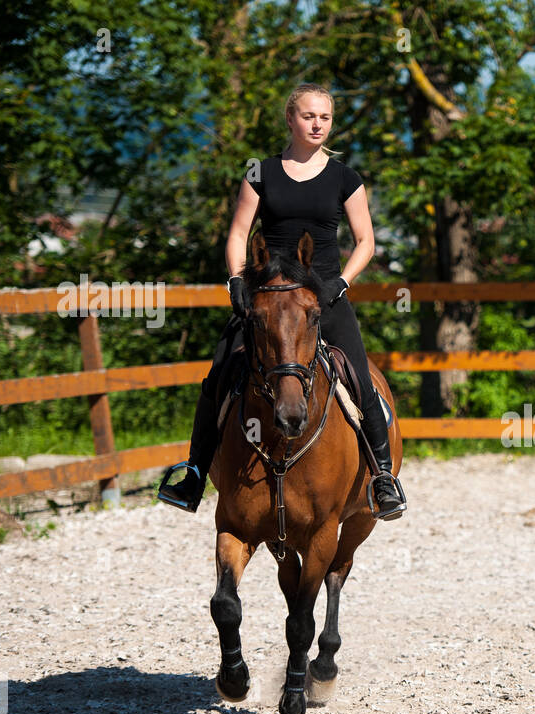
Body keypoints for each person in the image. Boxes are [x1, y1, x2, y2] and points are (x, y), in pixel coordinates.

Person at [158, 83, 407, 520]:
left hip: (323, 298)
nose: (317, 124)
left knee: (361, 380)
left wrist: (341, 284)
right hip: (267, 301)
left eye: (325, 118)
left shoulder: (345, 178)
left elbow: (366, 241)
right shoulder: (261, 172)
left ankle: (383, 476)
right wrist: (237, 281)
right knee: (218, 377)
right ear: (290, 119)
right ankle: (195, 474)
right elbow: (238, 233)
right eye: (309, 116)